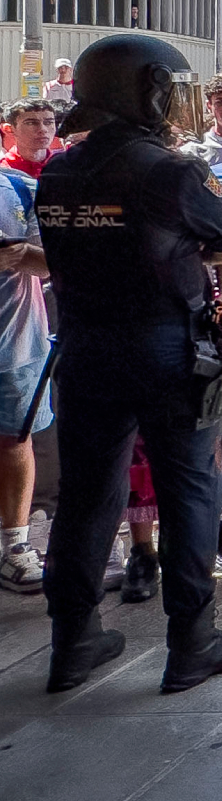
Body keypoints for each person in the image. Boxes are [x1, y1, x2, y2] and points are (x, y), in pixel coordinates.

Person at [35, 34, 222, 693]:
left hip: (85, 349)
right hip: (165, 348)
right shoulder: (170, 170)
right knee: (189, 489)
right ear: (149, 91)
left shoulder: (58, 171)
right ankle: (193, 643)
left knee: (86, 497)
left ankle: (72, 643)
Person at [0, 160, 49, 594]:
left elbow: (53, 263)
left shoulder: (21, 188)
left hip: (17, 345)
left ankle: (15, 545)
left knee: (16, 441)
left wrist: (22, 256)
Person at [1, 99, 59, 178]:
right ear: (9, 129)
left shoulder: (67, 166)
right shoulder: (3, 169)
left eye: (49, 122)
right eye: (31, 123)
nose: (43, 129)